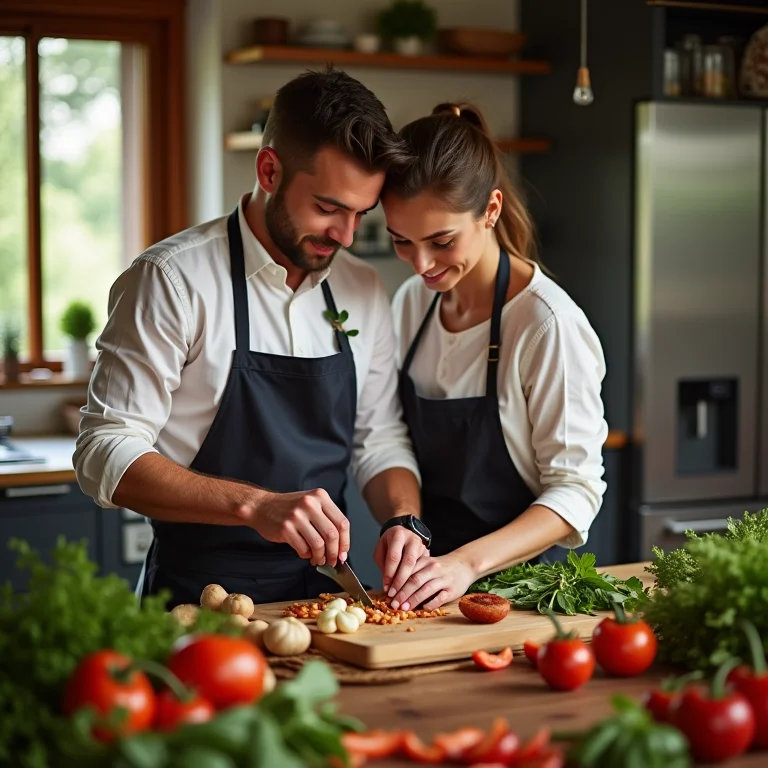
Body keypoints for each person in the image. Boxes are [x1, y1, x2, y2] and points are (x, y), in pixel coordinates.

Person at [73, 68, 431, 608]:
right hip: (197, 601)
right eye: (329, 208)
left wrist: (404, 520)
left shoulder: (362, 286)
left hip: (325, 600)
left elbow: (379, 437)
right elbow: (104, 451)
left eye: (361, 213)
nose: (346, 235)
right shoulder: (172, 280)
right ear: (269, 170)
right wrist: (255, 505)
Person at [379, 102, 609, 613]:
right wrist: (405, 522)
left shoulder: (547, 324)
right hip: (425, 584)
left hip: (520, 595)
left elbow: (575, 492)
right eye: (401, 241)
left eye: (441, 241)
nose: (421, 265)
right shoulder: (413, 303)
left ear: (490, 210)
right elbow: (390, 432)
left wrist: (465, 565)